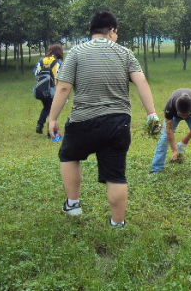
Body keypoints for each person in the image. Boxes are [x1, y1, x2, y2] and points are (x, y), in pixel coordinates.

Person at [48, 11, 160, 228]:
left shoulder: (76, 53)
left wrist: (53, 118)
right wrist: (151, 114)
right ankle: (117, 224)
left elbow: (63, 87)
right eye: (116, 32)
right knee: (116, 174)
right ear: (111, 31)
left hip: (83, 120)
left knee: (69, 155)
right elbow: (142, 83)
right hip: (118, 123)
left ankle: (73, 204)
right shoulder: (125, 53)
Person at [150, 88, 191, 175]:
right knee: (164, 138)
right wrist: (174, 150)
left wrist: (186, 139)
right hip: (174, 115)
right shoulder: (170, 107)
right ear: (177, 111)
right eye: (181, 115)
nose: (183, 118)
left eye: (186, 115)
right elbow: (169, 130)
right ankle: (156, 168)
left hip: (190, 115)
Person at [34, 44, 64, 137]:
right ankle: (50, 132)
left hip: (41, 90)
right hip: (52, 90)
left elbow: (36, 73)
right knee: (53, 110)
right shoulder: (58, 62)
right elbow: (59, 76)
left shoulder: (41, 60)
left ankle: (40, 124)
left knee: (47, 107)